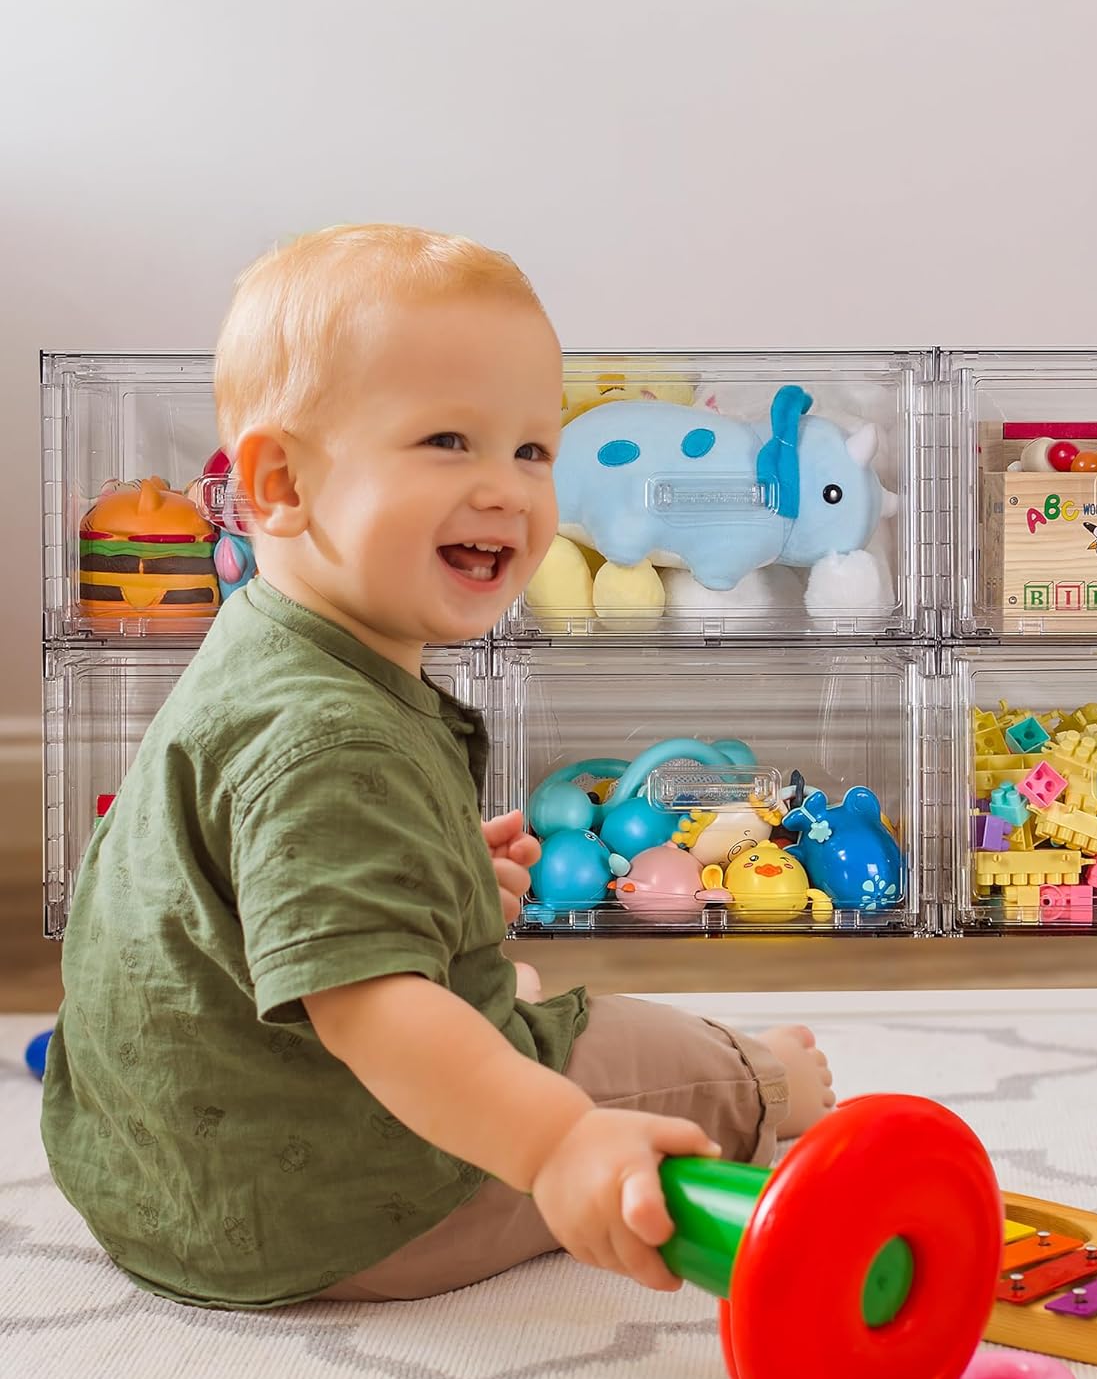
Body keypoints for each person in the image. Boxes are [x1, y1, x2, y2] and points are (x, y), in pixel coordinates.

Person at [40, 223, 834, 1309]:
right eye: (448, 442)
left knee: (484, 988)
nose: (506, 489)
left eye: (532, 450)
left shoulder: (260, 649)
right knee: (622, 1043)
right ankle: (765, 1085)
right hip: (333, 1209)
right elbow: (370, 1010)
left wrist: (440, 867)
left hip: (154, 1184)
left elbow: (251, 874)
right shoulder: (328, 738)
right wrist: (559, 1150)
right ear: (278, 483)